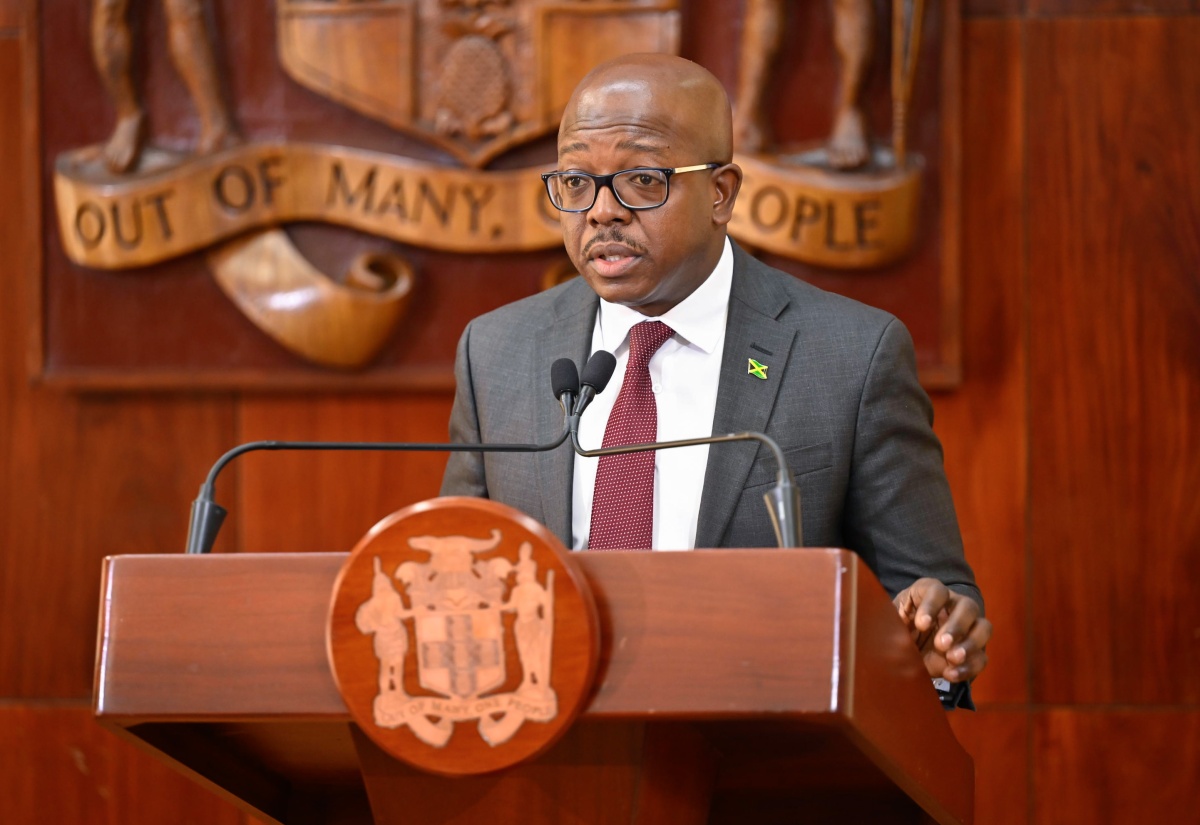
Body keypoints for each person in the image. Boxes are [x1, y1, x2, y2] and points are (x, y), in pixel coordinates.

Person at [441, 54, 990, 690]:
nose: (601, 212)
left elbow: (931, 596)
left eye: (642, 180)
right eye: (576, 182)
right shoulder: (498, 351)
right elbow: (457, 571)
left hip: (760, 758)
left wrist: (937, 637)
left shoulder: (849, 355)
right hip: (553, 754)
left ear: (721, 193)